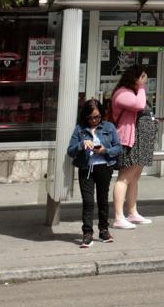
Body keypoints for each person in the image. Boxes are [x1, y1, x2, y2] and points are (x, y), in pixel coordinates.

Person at [66, 98, 121, 248]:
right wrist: (81, 144)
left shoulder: (109, 127)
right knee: (88, 201)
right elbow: (70, 151)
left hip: (104, 166)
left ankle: (104, 230)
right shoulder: (79, 129)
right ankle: (87, 233)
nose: (93, 120)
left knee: (103, 199)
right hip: (86, 168)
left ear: (102, 114)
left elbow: (118, 148)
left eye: (96, 117)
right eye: (90, 117)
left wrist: (105, 150)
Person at [110, 65, 156, 229]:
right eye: (142, 77)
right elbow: (138, 105)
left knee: (135, 177)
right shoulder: (123, 93)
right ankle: (118, 216)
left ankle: (132, 212)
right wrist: (142, 87)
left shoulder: (134, 92)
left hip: (140, 141)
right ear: (134, 77)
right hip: (129, 140)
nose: (144, 80)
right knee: (125, 177)